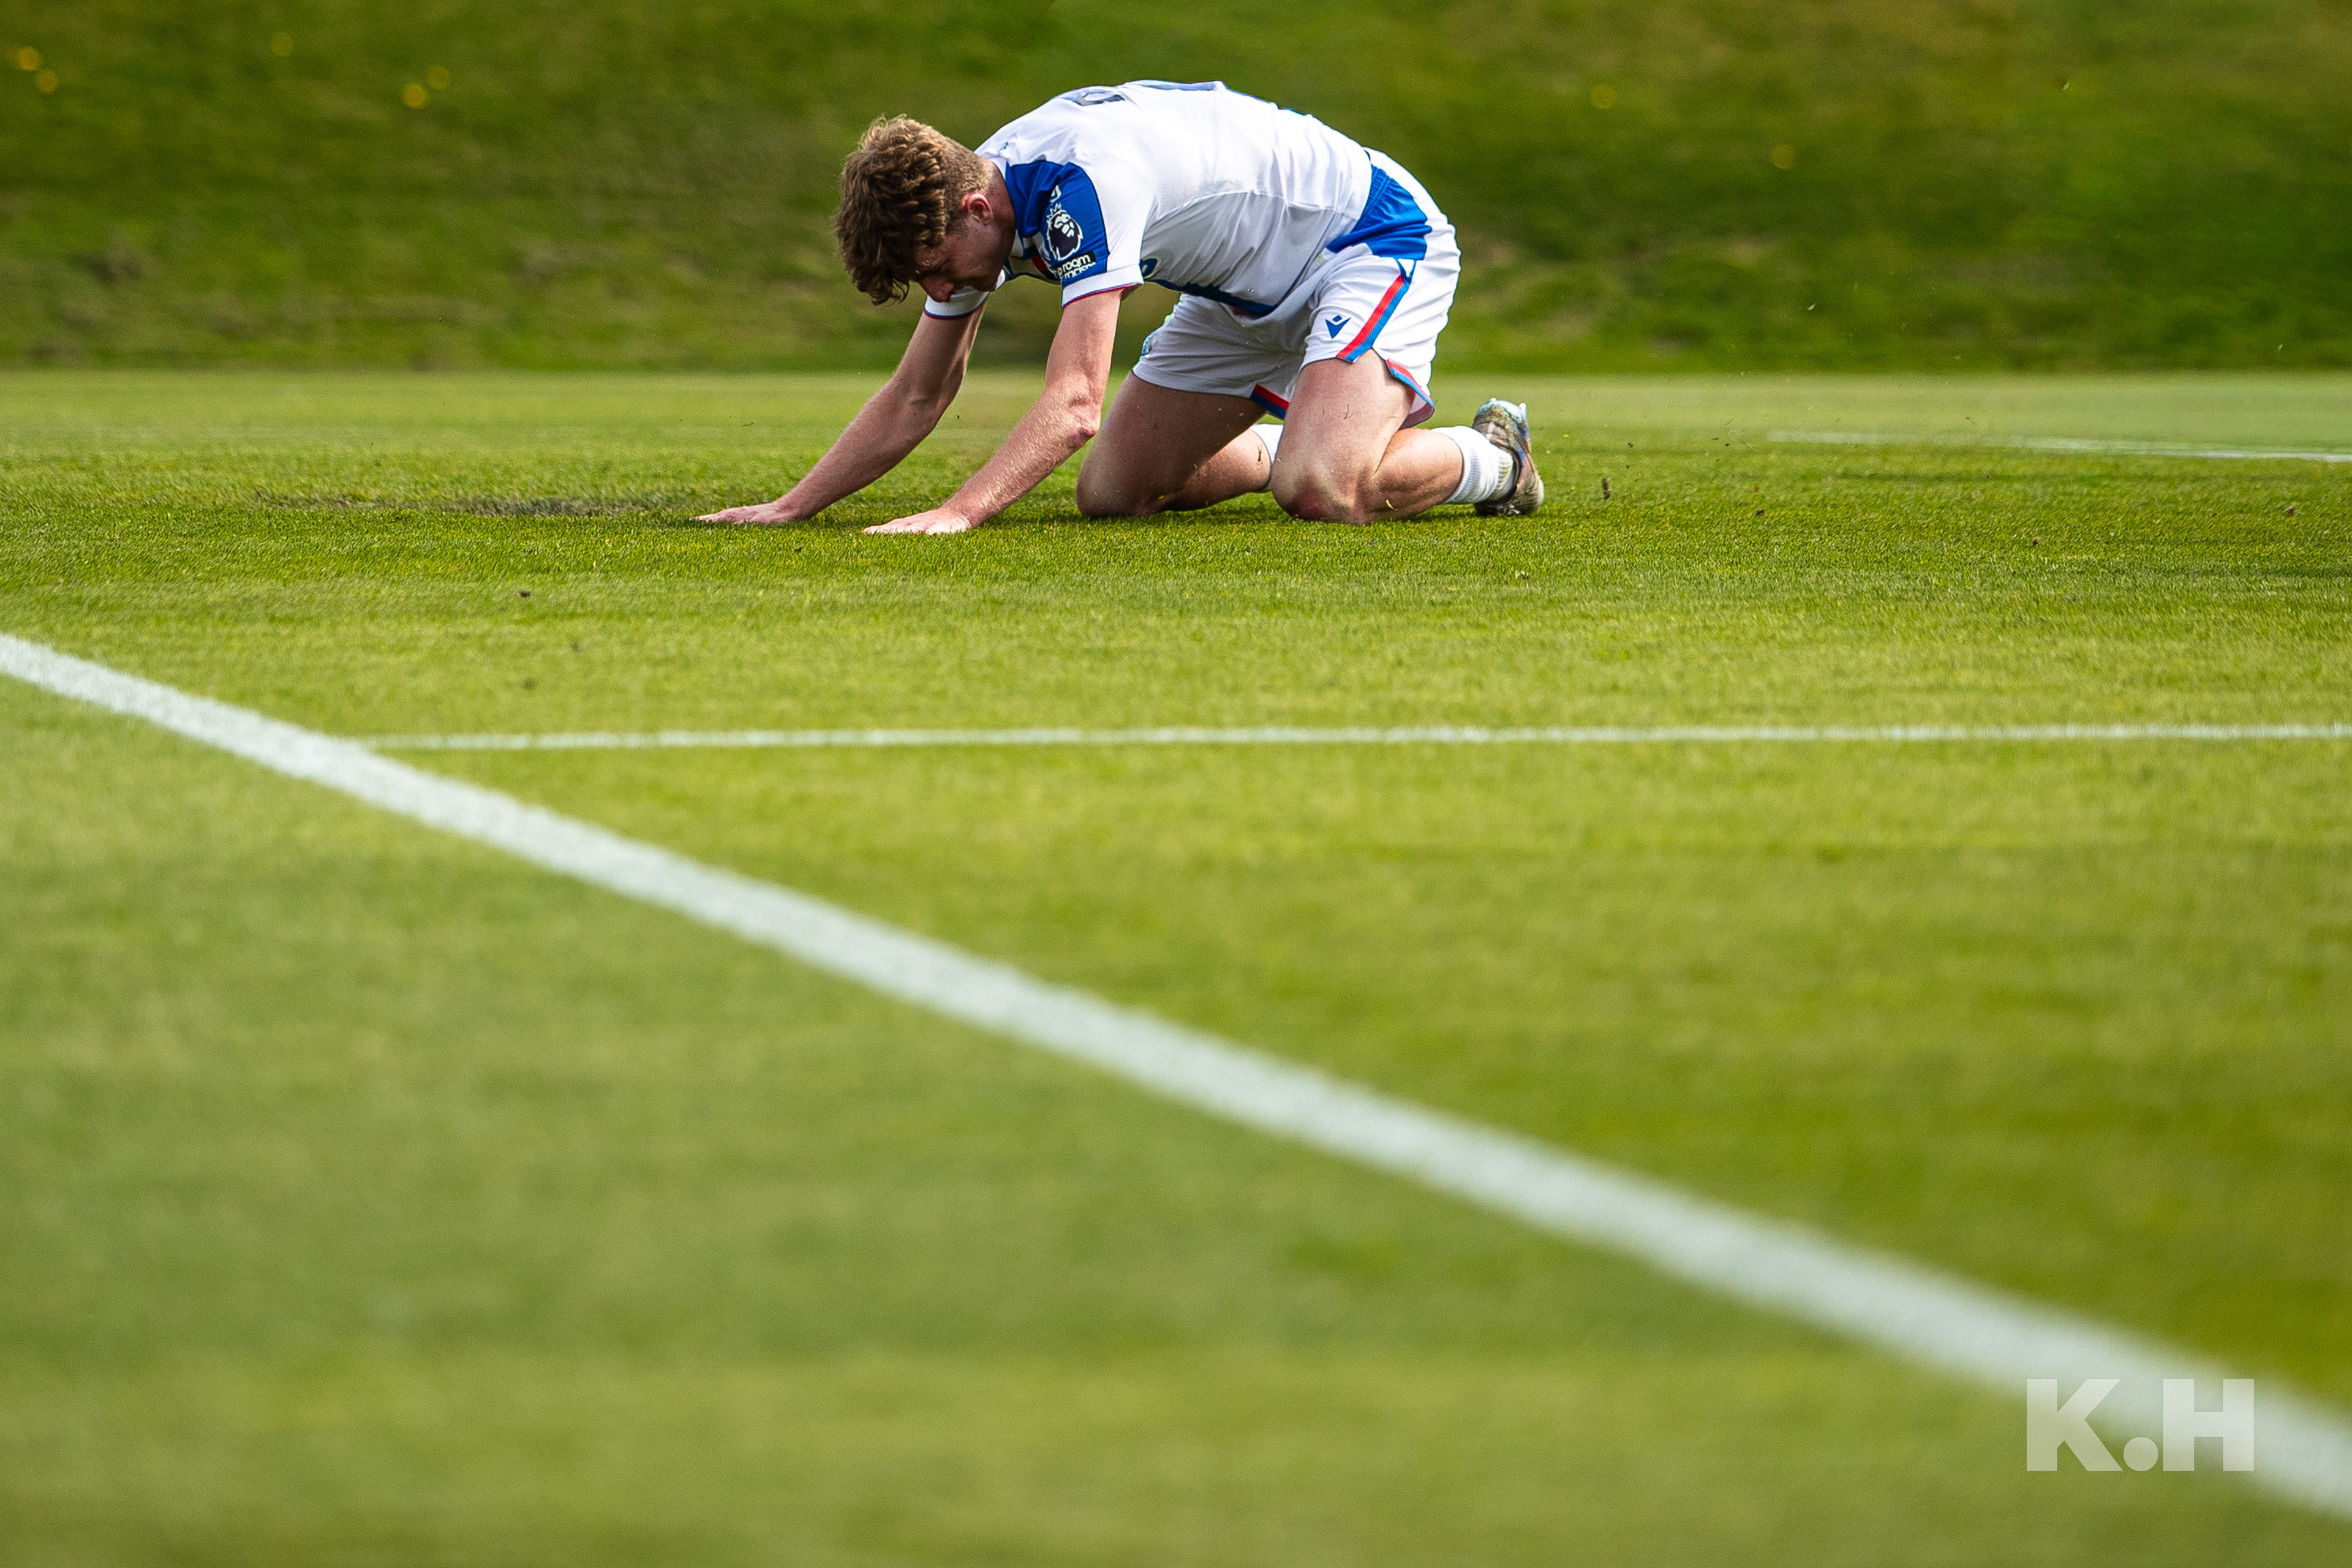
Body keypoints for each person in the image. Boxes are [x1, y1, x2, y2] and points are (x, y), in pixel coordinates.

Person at [699, 80, 1542, 535]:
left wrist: (958, 513)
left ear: (974, 211)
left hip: (1366, 240)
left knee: (1324, 488)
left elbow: (1075, 405)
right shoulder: (980, 201)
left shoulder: (1081, 189)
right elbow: (919, 393)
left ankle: (1497, 459)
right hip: (1237, 289)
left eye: (936, 272)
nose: (943, 293)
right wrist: (793, 507)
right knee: (1113, 492)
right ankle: (1307, 433)